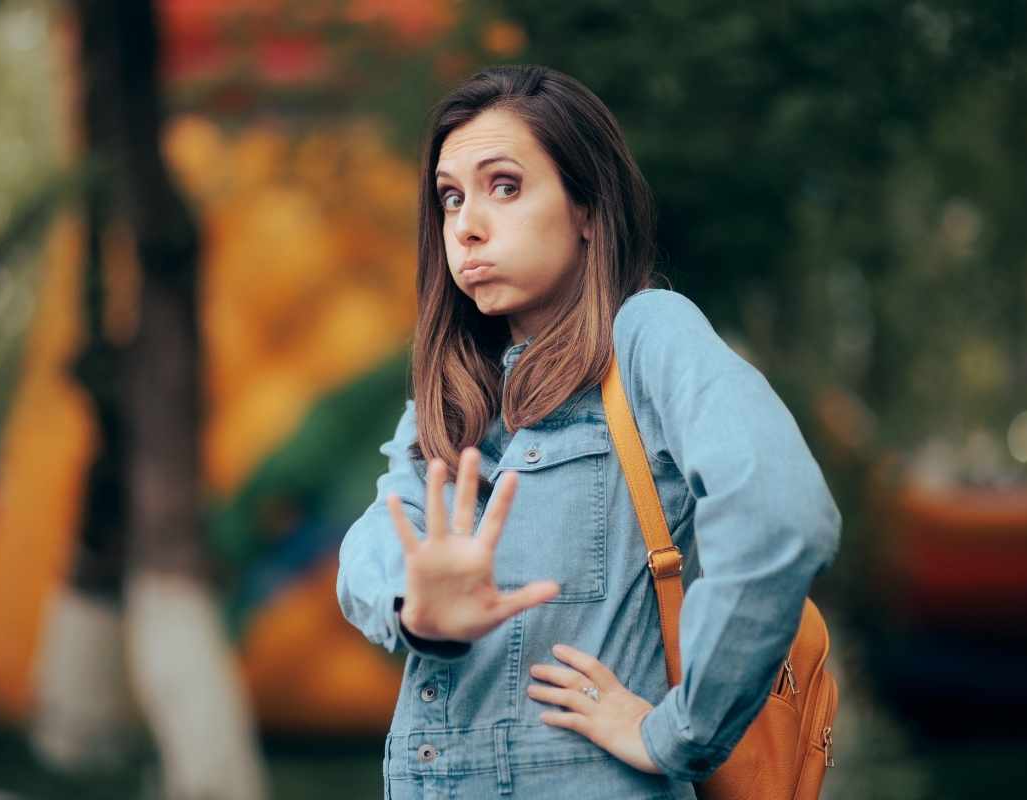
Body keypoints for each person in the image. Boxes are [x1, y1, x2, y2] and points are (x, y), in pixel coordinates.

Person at [337, 64, 841, 799]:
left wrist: (677, 728)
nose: (467, 225)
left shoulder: (646, 338)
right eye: (450, 198)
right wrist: (417, 611)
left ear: (587, 209)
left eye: (504, 186)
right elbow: (381, 534)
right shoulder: (455, 394)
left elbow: (781, 513)